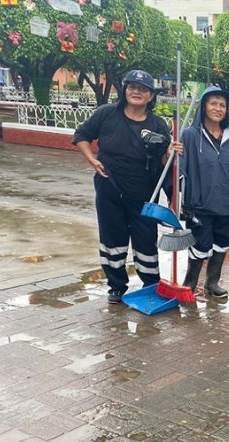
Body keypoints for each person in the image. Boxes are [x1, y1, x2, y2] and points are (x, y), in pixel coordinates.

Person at [73, 69, 177, 304]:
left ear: (151, 96)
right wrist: (92, 159)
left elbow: (163, 163)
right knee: (112, 239)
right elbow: (81, 135)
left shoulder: (158, 124)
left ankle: (151, 284)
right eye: (132, 87)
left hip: (144, 195)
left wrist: (170, 153)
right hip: (109, 190)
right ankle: (117, 286)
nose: (137, 92)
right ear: (125, 90)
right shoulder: (107, 114)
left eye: (143, 89)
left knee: (145, 242)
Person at [179, 86, 229, 299]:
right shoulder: (189, 135)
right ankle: (190, 283)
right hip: (200, 203)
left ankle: (212, 282)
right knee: (199, 245)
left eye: (222, 105)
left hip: (228, 203)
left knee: (222, 242)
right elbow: (180, 170)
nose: (218, 108)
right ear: (204, 106)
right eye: (213, 103)